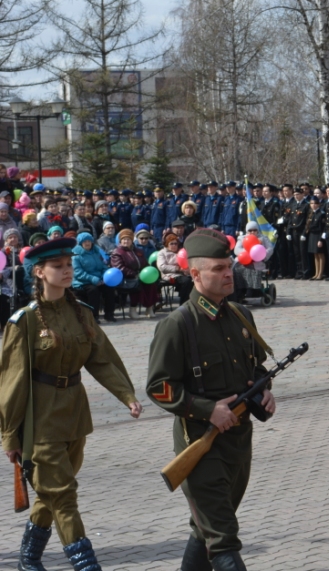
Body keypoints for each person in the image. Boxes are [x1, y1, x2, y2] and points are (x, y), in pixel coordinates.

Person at [1, 237, 141, 571]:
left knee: (51, 492)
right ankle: (86, 565)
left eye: (68, 265)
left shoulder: (82, 313)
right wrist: (9, 434)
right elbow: (12, 381)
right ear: (39, 272)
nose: (66, 270)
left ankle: (29, 559)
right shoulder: (25, 321)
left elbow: (102, 359)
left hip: (75, 415)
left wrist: (127, 395)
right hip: (41, 417)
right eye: (58, 266)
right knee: (63, 494)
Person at [146, 229, 276, 571]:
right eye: (218, 268)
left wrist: (264, 389)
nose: (228, 273)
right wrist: (207, 409)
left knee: (207, 528)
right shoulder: (179, 324)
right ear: (195, 274)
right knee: (223, 538)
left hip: (238, 439)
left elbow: (255, 365)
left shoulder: (240, 315)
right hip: (199, 441)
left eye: (228, 265)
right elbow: (159, 386)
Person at [72, 232, 117, 323]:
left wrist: (105, 277)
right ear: (80, 243)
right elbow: (78, 273)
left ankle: (109, 314)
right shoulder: (76, 255)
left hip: (99, 279)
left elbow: (104, 267)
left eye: (89, 241)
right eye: (85, 241)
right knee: (93, 290)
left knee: (109, 288)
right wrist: (94, 279)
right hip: (83, 281)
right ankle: (93, 316)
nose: (87, 243)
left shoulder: (96, 252)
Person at [157, 231, 193, 305]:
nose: (174, 245)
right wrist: (178, 269)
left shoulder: (181, 252)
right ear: (167, 244)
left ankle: (192, 303)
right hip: (170, 275)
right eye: (171, 244)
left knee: (194, 281)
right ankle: (183, 304)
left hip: (183, 274)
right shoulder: (162, 253)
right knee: (186, 281)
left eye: (175, 243)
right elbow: (162, 267)